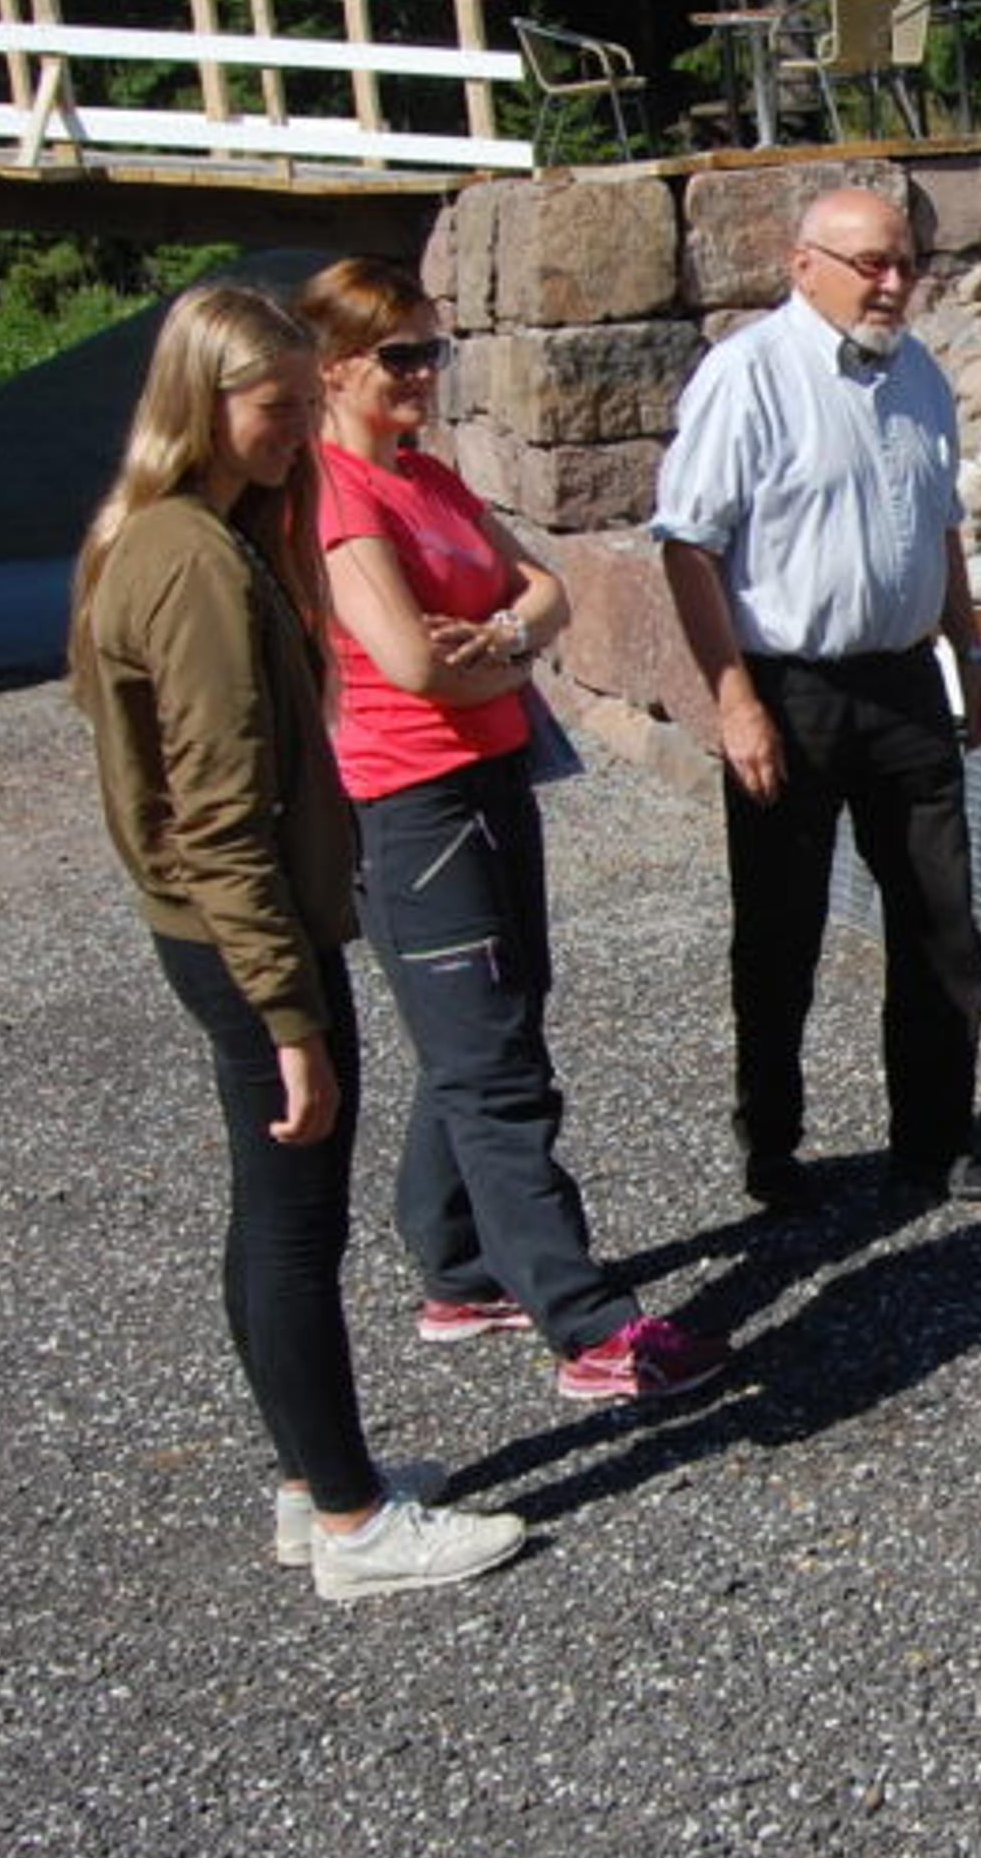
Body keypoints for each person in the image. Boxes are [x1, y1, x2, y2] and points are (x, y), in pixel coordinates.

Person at [71, 284, 525, 1603]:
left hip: (228, 928)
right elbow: (219, 815)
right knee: (293, 1224)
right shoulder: (192, 563)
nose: (294, 430)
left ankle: (307, 1481)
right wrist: (289, 1016)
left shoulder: (177, 533)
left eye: (299, 402)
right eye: (275, 407)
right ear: (203, 403)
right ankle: (351, 1522)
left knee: (275, 1214)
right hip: (248, 934)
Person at [302, 257, 722, 1405]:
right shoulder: (336, 496)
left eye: (432, 351)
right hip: (413, 803)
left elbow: (546, 591)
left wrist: (493, 637)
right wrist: (503, 647)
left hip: (485, 779)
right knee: (496, 1068)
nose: (424, 374)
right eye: (400, 356)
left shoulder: (425, 477)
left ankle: (455, 1267)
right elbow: (410, 664)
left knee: (494, 1022)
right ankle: (588, 1325)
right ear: (332, 366)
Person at [653, 186, 981, 1209]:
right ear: (801, 263)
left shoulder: (920, 373)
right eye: (870, 265)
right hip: (790, 687)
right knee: (781, 929)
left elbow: (941, 525)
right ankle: (772, 1142)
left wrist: (970, 653)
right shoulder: (750, 375)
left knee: (942, 919)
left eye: (906, 263)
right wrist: (734, 701)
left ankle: (935, 1137)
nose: (893, 283)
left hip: (903, 681)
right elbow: (689, 545)